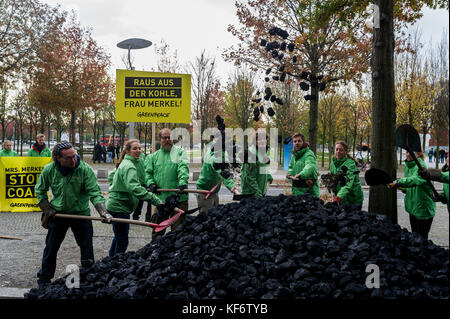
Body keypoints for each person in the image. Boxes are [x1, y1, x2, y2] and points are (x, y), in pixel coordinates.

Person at [35, 141, 112, 289]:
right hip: (58, 215)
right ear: (58, 158)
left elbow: (95, 193)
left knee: (87, 248)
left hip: (81, 214)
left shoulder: (84, 169)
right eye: (68, 158)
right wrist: (46, 207)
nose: (73, 160)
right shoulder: (49, 169)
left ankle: (89, 277)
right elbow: (40, 190)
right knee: (51, 248)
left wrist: (103, 211)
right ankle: (44, 279)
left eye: (75, 156)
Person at [106, 139, 166, 256]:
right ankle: (115, 263)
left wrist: (147, 184)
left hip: (121, 206)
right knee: (123, 240)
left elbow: (143, 174)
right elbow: (134, 188)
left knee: (118, 236)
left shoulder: (136, 160)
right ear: (128, 151)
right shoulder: (129, 166)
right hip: (119, 207)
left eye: (139, 148)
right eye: (135, 148)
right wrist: (154, 199)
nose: (138, 151)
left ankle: (111, 259)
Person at [145, 128, 189, 239]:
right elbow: (148, 173)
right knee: (157, 231)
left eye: (170, 137)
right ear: (160, 140)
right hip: (161, 200)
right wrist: (151, 183)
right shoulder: (153, 157)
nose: (168, 140)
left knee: (178, 232)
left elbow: (183, 167)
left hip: (179, 199)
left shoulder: (180, 153)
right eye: (165, 137)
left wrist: (183, 181)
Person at [389, 151, 436, 240]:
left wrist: (399, 182)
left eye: (412, 152)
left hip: (423, 210)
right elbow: (411, 187)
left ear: (419, 154)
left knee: (421, 240)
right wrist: (401, 188)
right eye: (407, 152)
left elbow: (415, 180)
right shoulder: (408, 165)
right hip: (413, 208)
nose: (408, 154)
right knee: (415, 238)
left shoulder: (421, 166)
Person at [196, 142, 240, 214]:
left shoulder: (216, 151)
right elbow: (223, 175)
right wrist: (234, 190)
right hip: (205, 193)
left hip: (214, 192)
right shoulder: (215, 159)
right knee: (206, 219)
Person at [329, 141, 364, 209]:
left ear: (346, 152)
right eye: (337, 149)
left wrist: (338, 197)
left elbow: (348, 183)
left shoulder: (350, 164)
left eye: (341, 150)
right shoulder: (333, 162)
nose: (338, 151)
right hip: (342, 199)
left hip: (353, 200)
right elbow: (332, 177)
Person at [286, 133, 319, 198]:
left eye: (299, 141)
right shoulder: (294, 155)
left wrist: (301, 174)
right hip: (296, 191)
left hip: (309, 193)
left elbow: (310, 166)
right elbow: (291, 167)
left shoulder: (309, 154)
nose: (297, 143)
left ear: (303, 142)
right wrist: (289, 173)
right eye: (295, 141)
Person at [240, 132, 273, 198]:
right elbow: (249, 178)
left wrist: (269, 177)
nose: (262, 141)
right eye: (259, 139)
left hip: (259, 192)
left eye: (264, 139)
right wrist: (258, 194)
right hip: (251, 194)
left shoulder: (262, 152)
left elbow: (262, 168)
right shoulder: (251, 153)